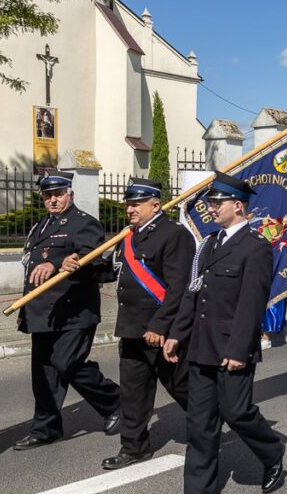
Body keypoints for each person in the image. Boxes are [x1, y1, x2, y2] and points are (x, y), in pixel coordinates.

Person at [163, 172, 286, 494]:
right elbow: (193, 295)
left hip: (231, 347)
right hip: (201, 346)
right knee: (200, 421)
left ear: (238, 206)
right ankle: (199, 489)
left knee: (237, 412)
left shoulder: (256, 247)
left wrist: (237, 350)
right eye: (210, 203)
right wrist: (176, 334)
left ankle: (271, 452)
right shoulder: (208, 244)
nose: (211, 209)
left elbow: (251, 304)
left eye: (217, 203)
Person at [63, 178, 192, 469]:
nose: (129, 208)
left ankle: (208, 429)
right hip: (132, 328)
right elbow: (111, 272)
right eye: (128, 203)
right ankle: (134, 447)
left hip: (162, 331)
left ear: (155, 204)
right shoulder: (127, 237)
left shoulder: (174, 235)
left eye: (136, 203)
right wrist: (79, 268)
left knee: (183, 388)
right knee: (133, 394)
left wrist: (160, 326)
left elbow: (178, 287)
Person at [13, 171, 120, 451]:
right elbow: (33, 269)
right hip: (44, 312)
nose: (53, 199)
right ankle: (45, 428)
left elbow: (94, 259)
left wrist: (61, 262)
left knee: (67, 363)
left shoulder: (83, 224)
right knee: (44, 373)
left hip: (75, 311)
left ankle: (116, 403)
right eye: (48, 195)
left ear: (69, 194)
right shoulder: (40, 226)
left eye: (58, 194)